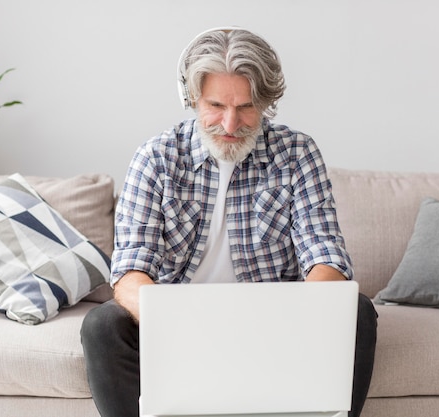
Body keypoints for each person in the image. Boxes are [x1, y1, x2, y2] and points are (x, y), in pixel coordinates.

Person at [81, 27, 377, 417]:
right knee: (103, 326)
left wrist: (283, 324)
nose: (231, 123)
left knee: (356, 310)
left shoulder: (297, 153)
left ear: (267, 103)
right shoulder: (155, 158)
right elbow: (131, 271)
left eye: (246, 107)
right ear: (192, 99)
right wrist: (185, 327)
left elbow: (326, 259)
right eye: (217, 105)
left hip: (276, 326)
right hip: (175, 328)